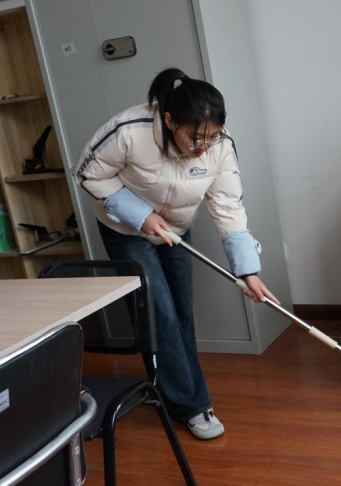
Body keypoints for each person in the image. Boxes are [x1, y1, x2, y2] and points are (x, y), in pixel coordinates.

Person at [75, 67, 279, 440]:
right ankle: (192, 405)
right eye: (194, 137)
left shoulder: (220, 146)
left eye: (212, 137)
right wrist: (140, 215)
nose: (203, 146)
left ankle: (168, 384)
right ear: (169, 121)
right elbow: (88, 173)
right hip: (126, 230)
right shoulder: (130, 131)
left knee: (181, 312)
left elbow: (228, 207)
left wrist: (247, 271)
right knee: (161, 314)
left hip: (178, 229)